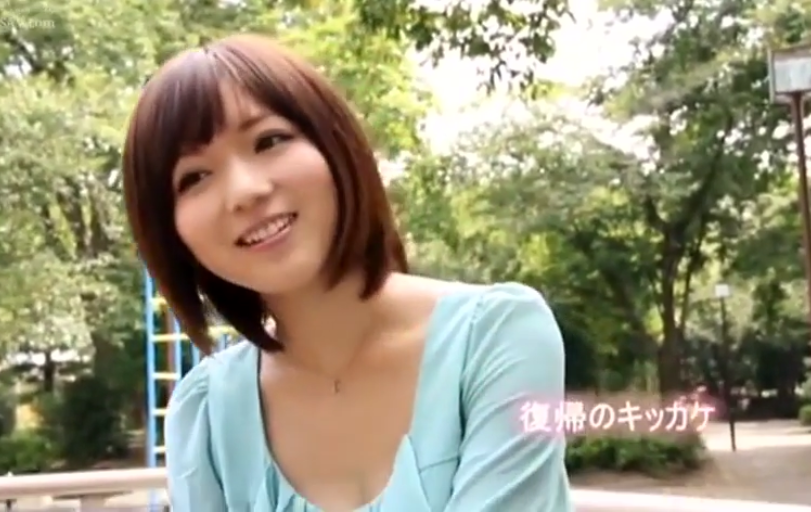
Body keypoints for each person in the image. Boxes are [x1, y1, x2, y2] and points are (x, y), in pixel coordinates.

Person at [123, 34, 571, 512]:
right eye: (194, 177)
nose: (245, 191)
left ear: (335, 144)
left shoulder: (496, 336)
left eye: (268, 141)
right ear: (170, 232)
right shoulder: (206, 413)